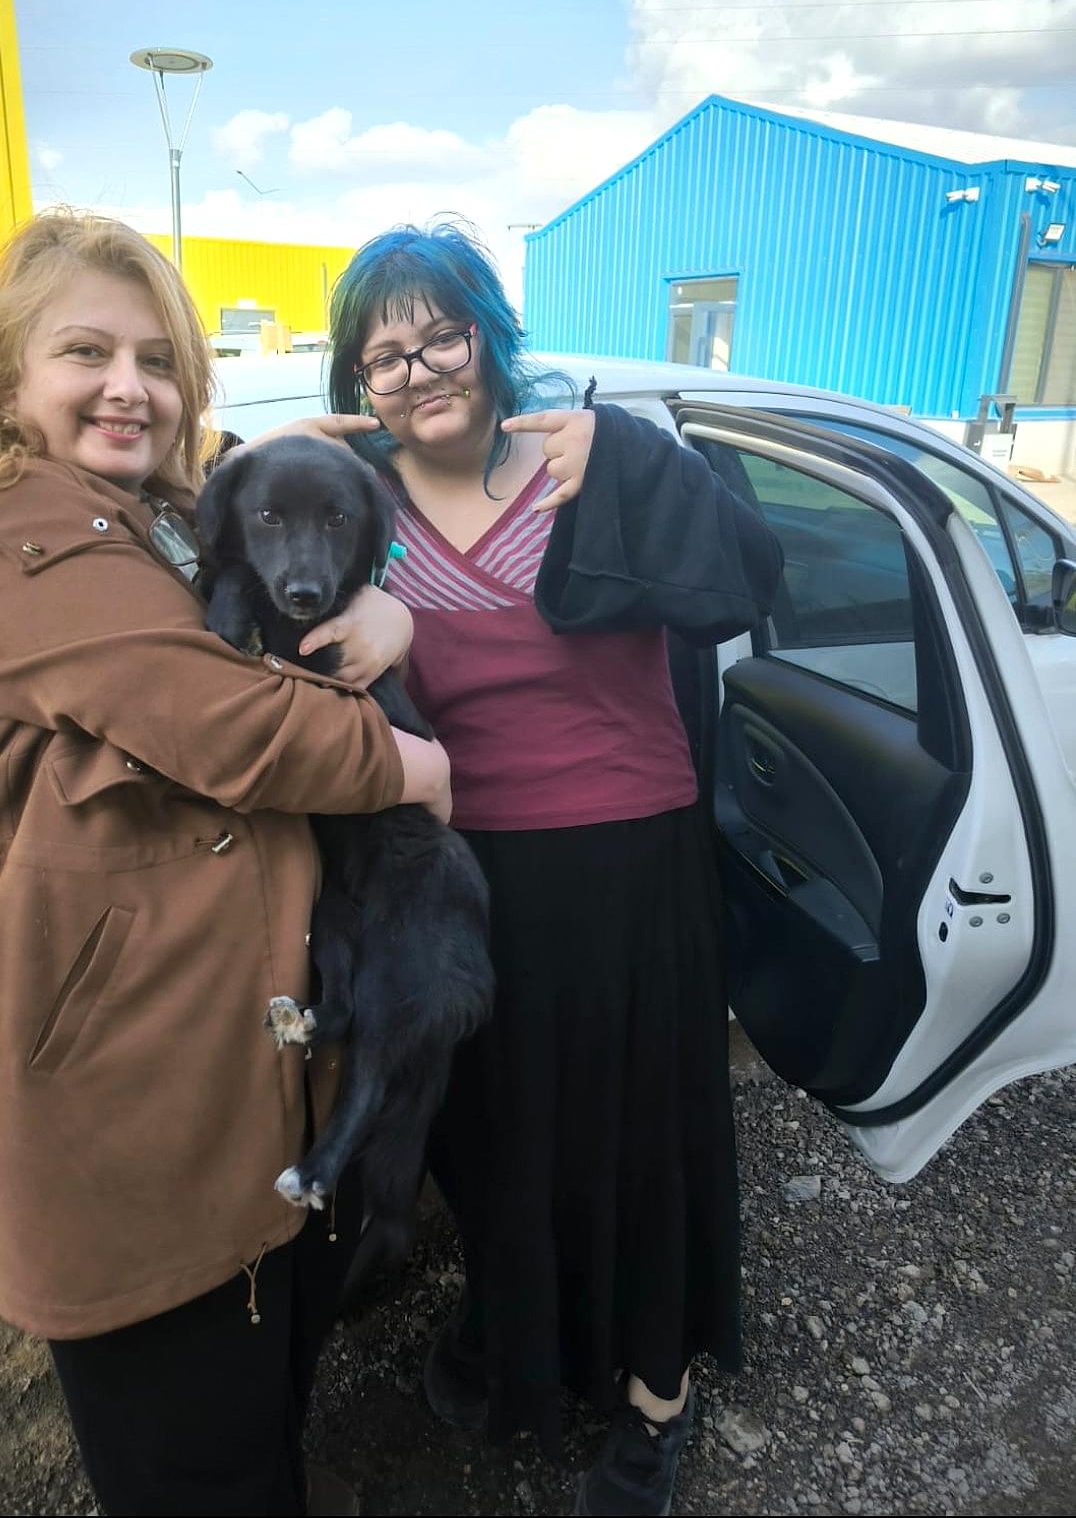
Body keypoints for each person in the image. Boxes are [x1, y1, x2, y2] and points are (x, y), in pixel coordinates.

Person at [0, 212, 450, 1518]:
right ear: (9, 374)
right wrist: (414, 767)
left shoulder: (150, 515)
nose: (128, 386)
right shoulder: (21, 530)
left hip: (233, 1059)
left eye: (158, 360)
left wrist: (386, 589)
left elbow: (285, 530)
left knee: (254, 1404)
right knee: (192, 1449)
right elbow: (229, 721)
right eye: (86, 352)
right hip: (124, 1091)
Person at [268, 220, 783, 1517]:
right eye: (385, 356)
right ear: (359, 380)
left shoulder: (591, 458)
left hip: (626, 869)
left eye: (442, 335)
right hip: (458, 877)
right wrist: (278, 462)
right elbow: (233, 580)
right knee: (492, 1141)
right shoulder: (359, 504)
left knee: (639, 1141)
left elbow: (746, 576)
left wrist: (634, 463)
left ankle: (655, 1398)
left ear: (491, 338)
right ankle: (524, 1337)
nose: (420, 371)